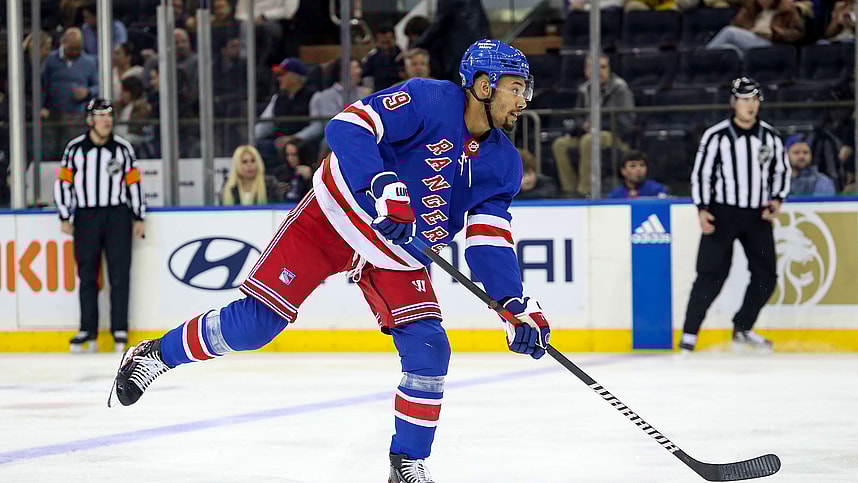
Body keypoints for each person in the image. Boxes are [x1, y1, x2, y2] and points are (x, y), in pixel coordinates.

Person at [109, 39, 550, 483]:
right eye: (515, 88)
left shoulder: (504, 163)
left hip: (397, 251)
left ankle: (408, 463)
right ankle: (155, 356)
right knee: (256, 324)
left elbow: (488, 240)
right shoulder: (429, 98)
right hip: (334, 217)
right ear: (482, 85)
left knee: (430, 348)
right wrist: (383, 184)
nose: (523, 100)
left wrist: (512, 304)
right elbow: (348, 125)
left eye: (525, 90)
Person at [679, 77, 791, 353]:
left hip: (757, 215)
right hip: (722, 214)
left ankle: (743, 327)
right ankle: (689, 335)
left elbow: (781, 171)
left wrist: (777, 199)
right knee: (710, 274)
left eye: (754, 100)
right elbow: (702, 174)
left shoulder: (771, 137)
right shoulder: (716, 136)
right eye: (744, 100)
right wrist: (703, 209)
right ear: (734, 103)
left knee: (766, 276)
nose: (750, 105)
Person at [54, 98, 146, 354]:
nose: (106, 120)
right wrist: (64, 215)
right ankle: (88, 328)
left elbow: (134, 183)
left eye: (109, 115)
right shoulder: (74, 150)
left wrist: (139, 216)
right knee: (87, 274)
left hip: (117, 215)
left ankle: (119, 329)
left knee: (119, 273)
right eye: (101, 115)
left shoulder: (123, 149)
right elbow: (63, 183)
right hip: (86, 217)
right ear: (90, 120)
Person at [551, 52, 634, 197]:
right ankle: (570, 191)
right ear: (587, 71)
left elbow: (626, 122)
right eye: (594, 68)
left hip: (614, 135)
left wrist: (598, 125)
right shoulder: (584, 89)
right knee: (560, 144)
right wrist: (583, 125)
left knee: (589, 140)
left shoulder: (620, 89)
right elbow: (577, 117)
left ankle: (585, 191)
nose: (599, 72)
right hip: (587, 133)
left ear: (609, 69)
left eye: (603, 67)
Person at [41, 27, 99, 161]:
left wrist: (88, 92)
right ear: (63, 43)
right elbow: (43, 86)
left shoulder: (89, 62)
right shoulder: (50, 60)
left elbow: (98, 86)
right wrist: (41, 106)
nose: (74, 52)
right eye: (71, 48)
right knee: (52, 152)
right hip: (53, 115)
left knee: (75, 151)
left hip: (77, 116)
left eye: (77, 49)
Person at [254, 57, 315, 166]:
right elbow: (265, 124)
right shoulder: (278, 97)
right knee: (259, 146)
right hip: (278, 141)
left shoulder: (313, 96)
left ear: (295, 77)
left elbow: (317, 125)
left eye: (283, 74)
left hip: (301, 142)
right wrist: (252, 137)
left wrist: (294, 138)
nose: (278, 78)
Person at [412, 0, 491, 83]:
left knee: (459, 89)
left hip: (458, 53)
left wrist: (417, 45)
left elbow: (438, 24)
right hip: (479, 51)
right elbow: (482, 23)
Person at [705, 0, 805, 59]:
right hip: (750, 43)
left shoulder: (787, 10)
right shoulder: (751, 9)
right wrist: (750, 31)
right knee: (728, 48)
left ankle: (702, 57)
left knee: (729, 32)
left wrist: (774, 33)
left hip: (773, 44)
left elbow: (797, 33)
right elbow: (737, 25)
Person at [362, 24, 404, 92]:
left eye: (388, 42)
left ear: (394, 39)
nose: (385, 47)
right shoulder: (373, 58)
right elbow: (363, 73)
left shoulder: (403, 57)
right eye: (382, 43)